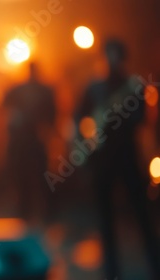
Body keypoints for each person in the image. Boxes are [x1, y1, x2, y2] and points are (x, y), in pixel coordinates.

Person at [75, 38, 160, 279]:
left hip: (128, 157)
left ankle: (155, 265)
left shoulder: (134, 86)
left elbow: (143, 119)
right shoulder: (94, 87)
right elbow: (78, 118)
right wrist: (85, 144)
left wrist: (118, 119)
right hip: (103, 159)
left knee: (142, 215)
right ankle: (112, 271)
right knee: (106, 220)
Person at [1, 62, 56, 225]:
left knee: (41, 178)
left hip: (36, 141)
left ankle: (44, 213)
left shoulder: (44, 91)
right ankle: (25, 213)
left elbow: (52, 116)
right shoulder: (18, 90)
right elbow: (5, 108)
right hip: (21, 143)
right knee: (23, 178)